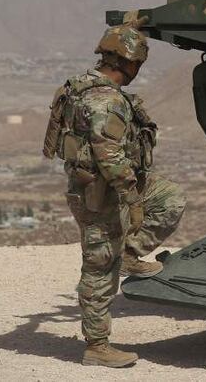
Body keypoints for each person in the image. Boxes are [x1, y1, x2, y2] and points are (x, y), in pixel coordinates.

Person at [42, 20, 186, 367]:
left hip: (114, 184)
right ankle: (97, 346)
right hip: (99, 194)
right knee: (99, 267)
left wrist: (133, 23)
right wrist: (133, 199)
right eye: (138, 63)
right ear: (127, 62)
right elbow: (108, 156)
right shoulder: (105, 100)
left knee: (169, 198)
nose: (139, 70)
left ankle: (130, 253)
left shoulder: (84, 86)